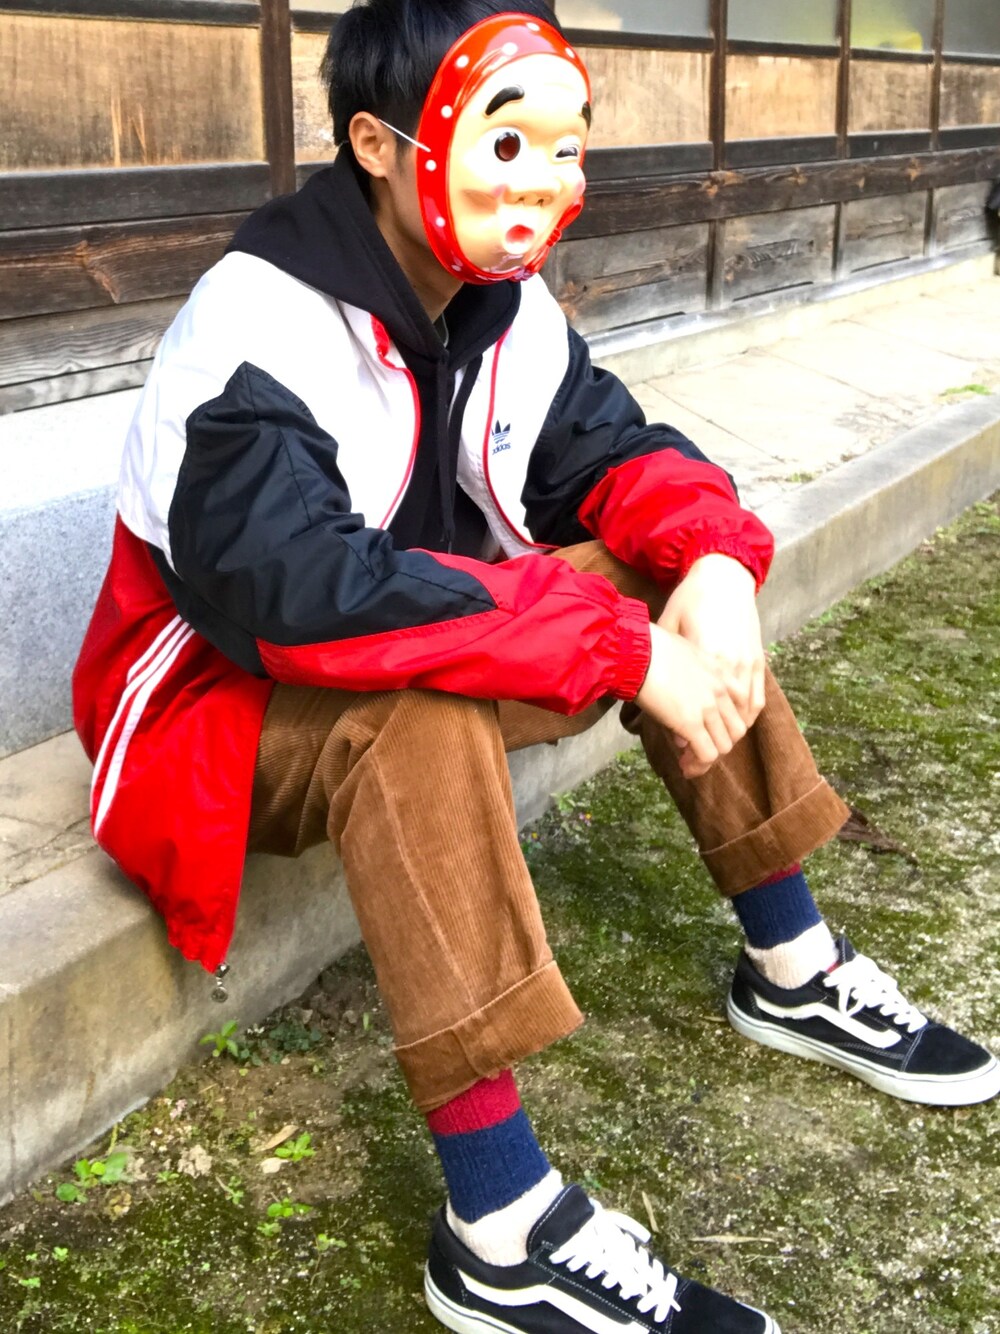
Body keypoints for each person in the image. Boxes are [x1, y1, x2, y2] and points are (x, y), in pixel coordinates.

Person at [72, 3, 1000, 1330]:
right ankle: (498, 1223)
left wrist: (718, 565)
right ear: (379, 145)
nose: (544, 182)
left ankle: (792, 964)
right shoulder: (255, 324)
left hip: (387, 631)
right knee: (416, 713)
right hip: (211, 707)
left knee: (668, 576)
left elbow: (612, 454)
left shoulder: (500, 302)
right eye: (504, 143)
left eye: (565, 147)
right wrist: (616, 646)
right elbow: (304, 600)